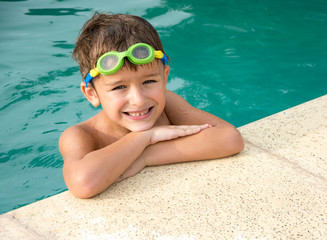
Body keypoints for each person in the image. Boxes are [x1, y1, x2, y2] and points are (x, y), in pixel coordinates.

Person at [59, 12, 244, 199]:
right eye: (119, 87)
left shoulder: (168, 104)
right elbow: (83, 183)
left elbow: (230, 139)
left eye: (148, 82)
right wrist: (146, 137)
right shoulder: (82, 135)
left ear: (164, 77)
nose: (138, 100)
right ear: (91, 93)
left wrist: (145, 156)